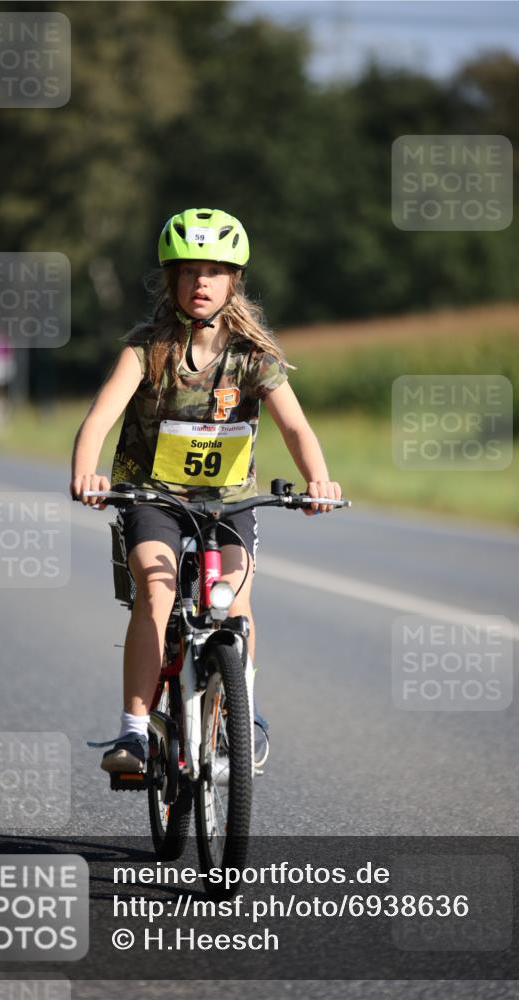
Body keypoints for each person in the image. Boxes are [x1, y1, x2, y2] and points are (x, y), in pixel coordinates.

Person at [71, 207, 341, 776]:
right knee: (157, 589)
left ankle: (241, 717)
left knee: (234, 603)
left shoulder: (253, 357)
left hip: (228, 502)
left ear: (233, 281)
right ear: (171, 279)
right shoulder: (145, 350)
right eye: (189, 271)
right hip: (154, 498)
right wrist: (87, 472)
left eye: (215, 271)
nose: (201, 282)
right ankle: (135, 732)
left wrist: (318, 478)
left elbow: (296, 427)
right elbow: (98, 419)